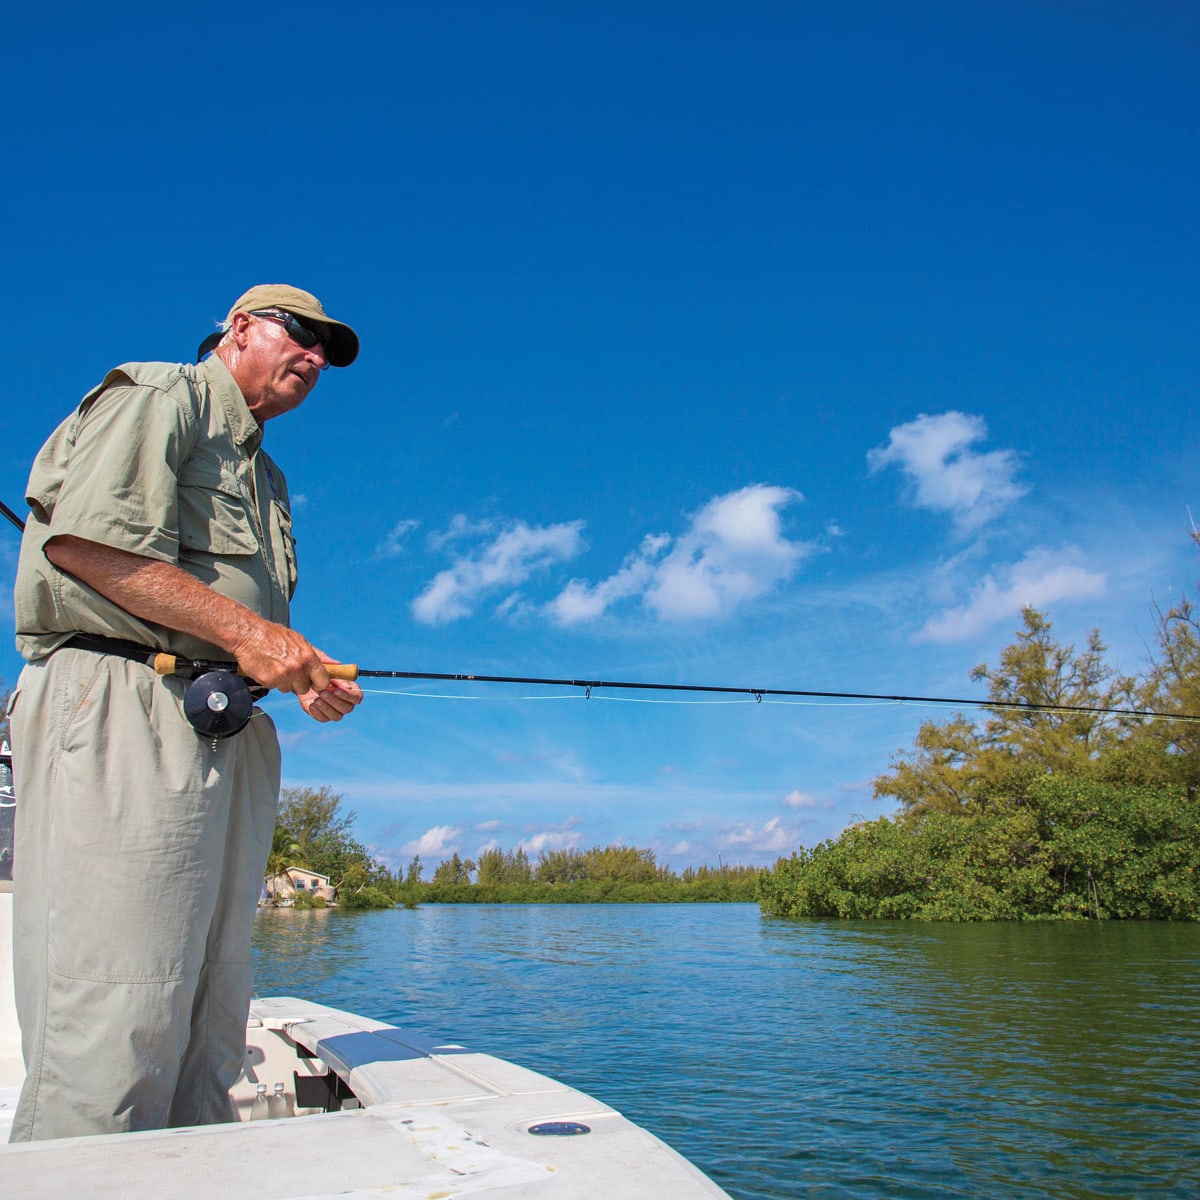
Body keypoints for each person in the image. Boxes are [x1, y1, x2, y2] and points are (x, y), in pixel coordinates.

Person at [7, 284, 364, 1141]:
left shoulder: (266, 472)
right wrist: (251, 633)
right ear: (240, 327)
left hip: (221, 727)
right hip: (125, 712)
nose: (314, 356)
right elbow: (87, 545)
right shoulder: (161, 394)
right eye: (301, 333)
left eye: (327, 350)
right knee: (118, 1010)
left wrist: (294, 669)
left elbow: (237, 625)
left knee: (209, 1012)